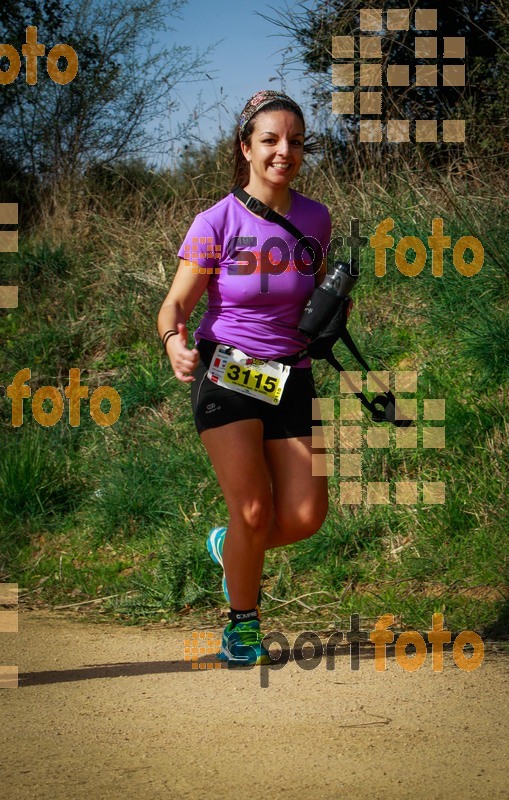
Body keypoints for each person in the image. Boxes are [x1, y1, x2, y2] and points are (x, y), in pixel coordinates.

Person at [157, 90, 331, 666]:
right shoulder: (215, 221)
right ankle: (242, 626)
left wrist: (332, 314)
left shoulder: (315, 219)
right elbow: (175, 304)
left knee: (306, 515)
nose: (285, 151)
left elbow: (317, 296)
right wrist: (175, 342)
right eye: (271, 140)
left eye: (296, 142)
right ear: (245, 148)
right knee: (254, 510)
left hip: (293, 375)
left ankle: (227, 545)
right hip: (228, 372)